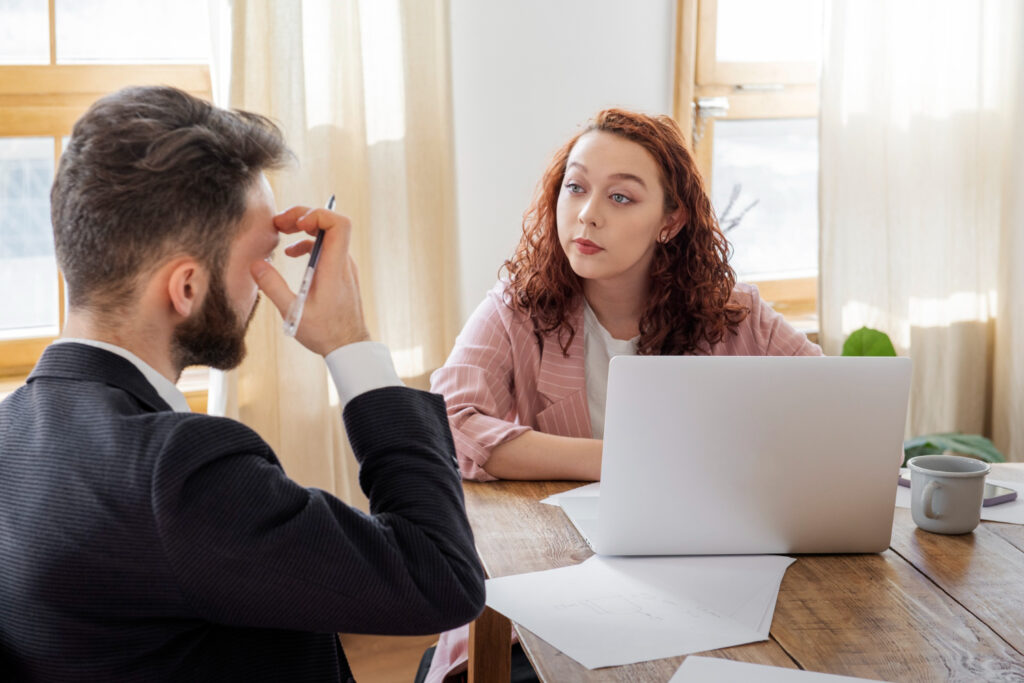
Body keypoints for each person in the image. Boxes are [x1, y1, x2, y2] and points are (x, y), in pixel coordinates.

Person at [0, 86, 485, 682]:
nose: (266, 287)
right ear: (186, 288)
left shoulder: (11, 430)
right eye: (261, 259)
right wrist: (351, 344)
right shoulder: (178, 475)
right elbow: (441, 577)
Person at [423, 108, 821, 681]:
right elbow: (449, 425)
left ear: (671, 220)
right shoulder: (518, 306)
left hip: (702, 583)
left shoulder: (736, 315)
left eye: (622, 198)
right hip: (556, 580)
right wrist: (627, 461)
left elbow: (832, 410)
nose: (587, 215)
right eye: (576, 188)